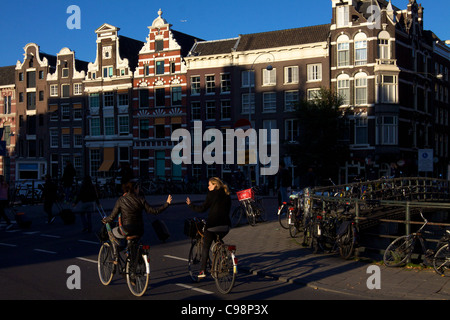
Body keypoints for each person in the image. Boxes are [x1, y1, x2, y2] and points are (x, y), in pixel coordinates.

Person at [102, 180, 172, 274]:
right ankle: (130, 256)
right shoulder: (141, 199)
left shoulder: (121, 200)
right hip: (139, 230)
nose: (139, 190)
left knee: (111, 233)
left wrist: (105, 220)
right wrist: (167, 203)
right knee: (133, 243)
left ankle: (116, 256)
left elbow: (112, 217)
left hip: (126, 229)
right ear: (135, 189)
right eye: (138, 188)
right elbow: (154, 211)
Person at [186, 177, 232, 279]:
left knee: (206, 246)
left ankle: (202, 270)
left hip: (213, 225)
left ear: (215, 185)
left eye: (209, 184)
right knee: (218, 239)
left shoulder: (212, 194)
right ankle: (224, 257)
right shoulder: (227, 194)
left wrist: (191, 205)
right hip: (226, 226)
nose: (208, 187)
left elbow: (203, 208)